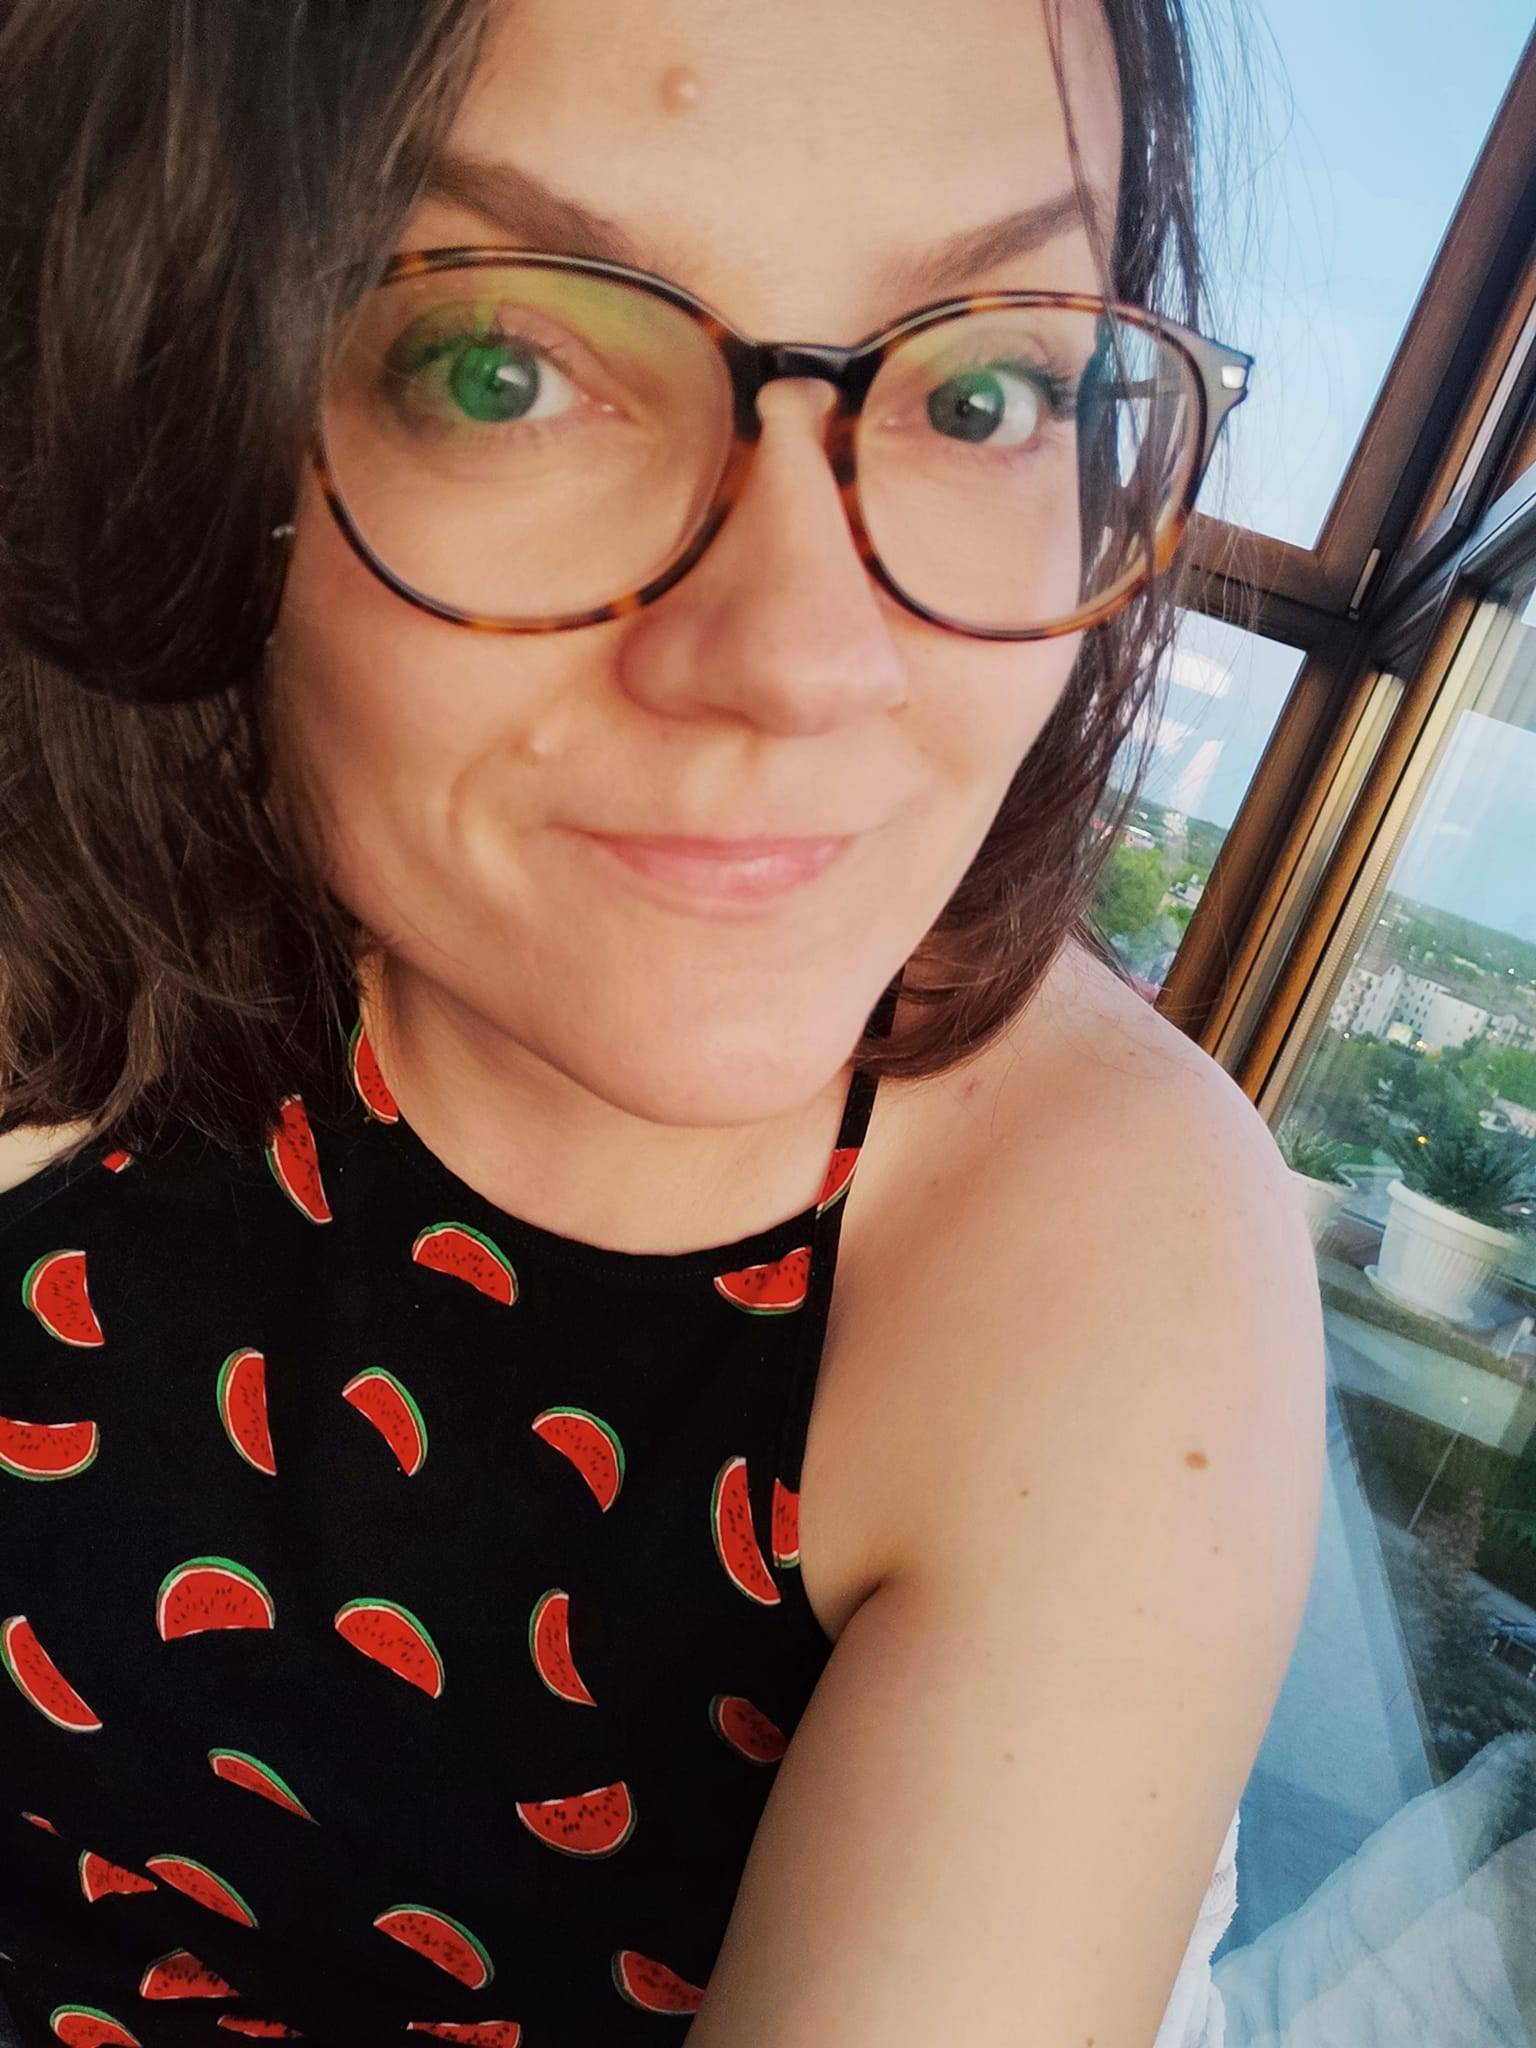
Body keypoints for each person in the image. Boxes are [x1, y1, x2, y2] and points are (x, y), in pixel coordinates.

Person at [0, 0, 1327, 2042]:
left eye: (984, 391)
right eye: (503, 367)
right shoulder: (78, 900)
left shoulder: (1094, 1250)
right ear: (163, 386)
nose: (802, 656)